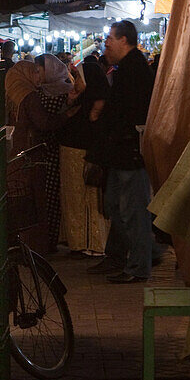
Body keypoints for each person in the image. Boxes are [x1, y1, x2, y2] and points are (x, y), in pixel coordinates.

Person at [85, 20, 158, 283]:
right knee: (116, 205)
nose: (105, 46)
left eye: (109, 40)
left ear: (124, 41)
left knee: (133, 210)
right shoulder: (126, 68)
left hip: (130, 153)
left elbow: (128, 113)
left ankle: (140, 265)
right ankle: (122, 255)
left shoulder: (135, 70)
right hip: (120, 152)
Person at [5, 56, 82, 255]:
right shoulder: (30, 96)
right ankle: (40, 246)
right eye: (34, 72)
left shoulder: (17, 92)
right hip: (33, 153)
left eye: (38, 71)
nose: (37, 76)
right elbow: (44, 123)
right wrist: (67, 115)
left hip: (22, 152)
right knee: (39, 201)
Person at [58, 53, 111, 256]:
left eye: (79, 78)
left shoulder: (94, 107)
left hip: (81, 154)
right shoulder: (82, 102)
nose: (75, 81)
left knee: (84, 198)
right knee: (77, 198)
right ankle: (80, 241)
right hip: (77, 153)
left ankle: (88, 242)